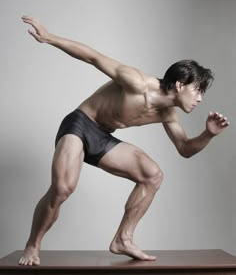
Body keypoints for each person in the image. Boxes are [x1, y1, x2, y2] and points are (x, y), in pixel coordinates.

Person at [19, 15, 229, 266]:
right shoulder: (137, 82)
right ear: (180, 84)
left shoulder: (168, 113)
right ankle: (33, 244)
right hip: (80, 124)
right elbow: (93, 57)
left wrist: (208, 134)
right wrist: (48, 37)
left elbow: (184, 148)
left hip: (103, 137)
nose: (200, 99)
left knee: (153, 175)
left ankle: (123, 239)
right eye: (198, 90)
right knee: (63, 189)